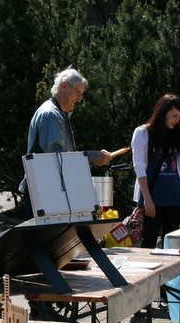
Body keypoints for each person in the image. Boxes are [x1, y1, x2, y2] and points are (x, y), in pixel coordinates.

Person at [18, 67, 112, 217]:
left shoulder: (58, 114)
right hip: (44, 192)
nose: (80, 99)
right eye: (78, 93)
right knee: (46, 239)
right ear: (64, 86)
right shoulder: (51, 115)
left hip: (47, 190)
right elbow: (56, 158)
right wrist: (94, 157)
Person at [131, 94, 180, 248]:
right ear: (164, 112)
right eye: (174, 116)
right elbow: (139, 167)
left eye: (179, 117)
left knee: (171, 245)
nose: (177, 120)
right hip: (152, 197)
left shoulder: (175, 134)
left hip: (174, 198)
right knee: (149, 243)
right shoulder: (142, 132)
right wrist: (147, 199)